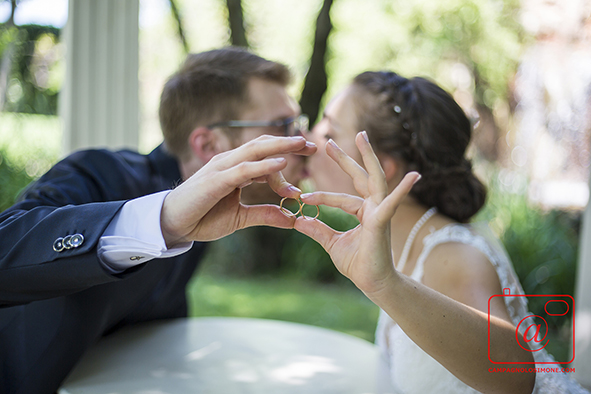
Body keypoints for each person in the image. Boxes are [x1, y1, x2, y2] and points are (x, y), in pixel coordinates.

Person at [0, 47, 316, 394]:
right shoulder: (99, 173)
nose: (303, 140)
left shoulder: (219, 208)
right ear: (209, 144)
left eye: (297, 124)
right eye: (282, 126)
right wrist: (162, 220)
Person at [296, 71, 589, 393]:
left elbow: (515, 374)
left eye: (329, 130)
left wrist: (385, 285)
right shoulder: (406, 244)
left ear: (381, 166)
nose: (311, 137)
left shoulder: (453, 255)